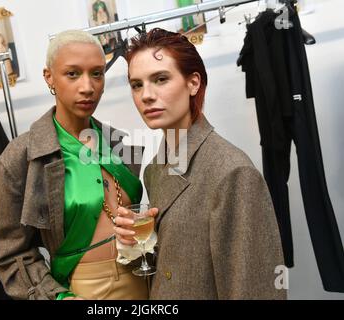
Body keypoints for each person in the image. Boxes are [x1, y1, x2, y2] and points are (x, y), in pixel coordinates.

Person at [114, 28, 287, 300]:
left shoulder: (232, 172)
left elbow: (254, 289)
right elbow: (174, 266)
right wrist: (136, 244)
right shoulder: (154, 169)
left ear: (193, 83)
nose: (146, 95)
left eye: (160, 79)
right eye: (137, 84)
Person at [0, 30, 148, 300]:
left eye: (97, 73)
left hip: (143, 283)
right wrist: (55, 297)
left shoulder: (118, 143)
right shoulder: (21, 157)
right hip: (80, 291)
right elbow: (9, 252)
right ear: (49, 77)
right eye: (72, 74)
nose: (88, 87)